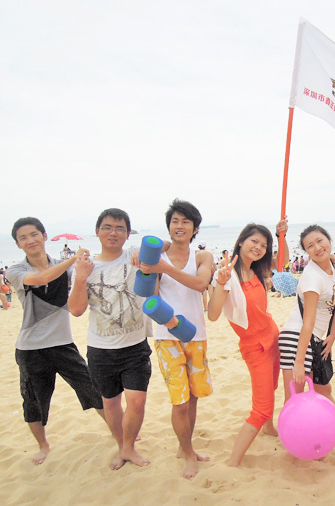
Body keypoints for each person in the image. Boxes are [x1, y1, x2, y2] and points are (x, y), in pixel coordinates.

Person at [6, 217, 104, 466]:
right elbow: (41, 279)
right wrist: (72, 259)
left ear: (44, 236)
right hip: (30, 348)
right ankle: (43, 446)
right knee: (34, 400)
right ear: (18, 244)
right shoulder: (16, 271)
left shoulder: (65, 267)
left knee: (92, 388)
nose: (30, 240)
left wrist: (84, 260)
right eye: (23, 238)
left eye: (34, 234)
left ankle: (119, 432)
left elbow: (88, 276)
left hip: (62, 342)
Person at [68, 208, 153, 470]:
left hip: (135, 346)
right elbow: (76, 310)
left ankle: (129, 448)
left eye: (119, 228)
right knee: (110, 402)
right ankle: (122, 446)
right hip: (100, 349)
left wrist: (143, 253)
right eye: (107, 227)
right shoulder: (85, 267)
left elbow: (165, 245)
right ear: (97, 232)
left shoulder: (134, 255)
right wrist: (81, 276)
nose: (113, 233)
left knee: (137, 401)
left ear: (128, 234)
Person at [138, 199, 214, 479]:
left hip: (197, 335)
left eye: (185, 221)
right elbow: (151, 297)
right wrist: (149, 268)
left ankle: (186, 448)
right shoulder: (158, 256)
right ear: (168, 226)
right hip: (166, 337)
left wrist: (165, 268)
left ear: (195, 228)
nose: (179, 226)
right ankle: (188, 454)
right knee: (179, 401)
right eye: (175, 221)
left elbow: (201, 284)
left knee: (193, 398)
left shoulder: (202, 256)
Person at [206, 220, 288, 467]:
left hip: (273, 336)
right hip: (255, 347)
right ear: (241, 241)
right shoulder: (227, 274)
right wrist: (221, 283)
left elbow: (282, 261)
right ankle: (233, 461)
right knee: (261, 409)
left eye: (263, 245)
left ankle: (269, 428)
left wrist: (281, 236)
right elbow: (213, 314)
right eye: (254, 241)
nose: (258, 247)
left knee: (272, 387)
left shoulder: (257, 270)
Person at [278, 225, 335, 431]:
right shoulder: (312, 277)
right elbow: (307, 323)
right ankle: (292, 438)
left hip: (314, 338)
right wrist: (299, 362)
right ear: (306, 252)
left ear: (328, 240)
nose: (317, 248)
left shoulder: (332, 267)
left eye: (320, 241)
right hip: (297, 339)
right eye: (310, 246)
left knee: (323, 387)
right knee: (294, 396)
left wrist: (333, 334)